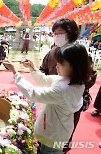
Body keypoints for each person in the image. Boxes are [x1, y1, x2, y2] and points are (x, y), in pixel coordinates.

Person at [3, 43, 91, 154]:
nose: (56, 66)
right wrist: (32, 68)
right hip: (58, 132)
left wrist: (15, 72)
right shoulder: (74, 81)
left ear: (75, 66)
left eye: (61, 64)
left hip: (52, 136)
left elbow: (33, 93)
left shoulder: (63, 89)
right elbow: (45, 80)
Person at [39, 18, 97, 153]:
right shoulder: (52, 52)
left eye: (60, 33)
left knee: (63, 132)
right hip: (52, 97)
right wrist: (49, 81)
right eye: (54, 33)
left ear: (71, 33)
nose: (56, 37)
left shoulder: (78, 52)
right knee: (46, 125)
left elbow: (90, 76)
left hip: (69, 101)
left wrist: (72, 84)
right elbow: (43, 69)